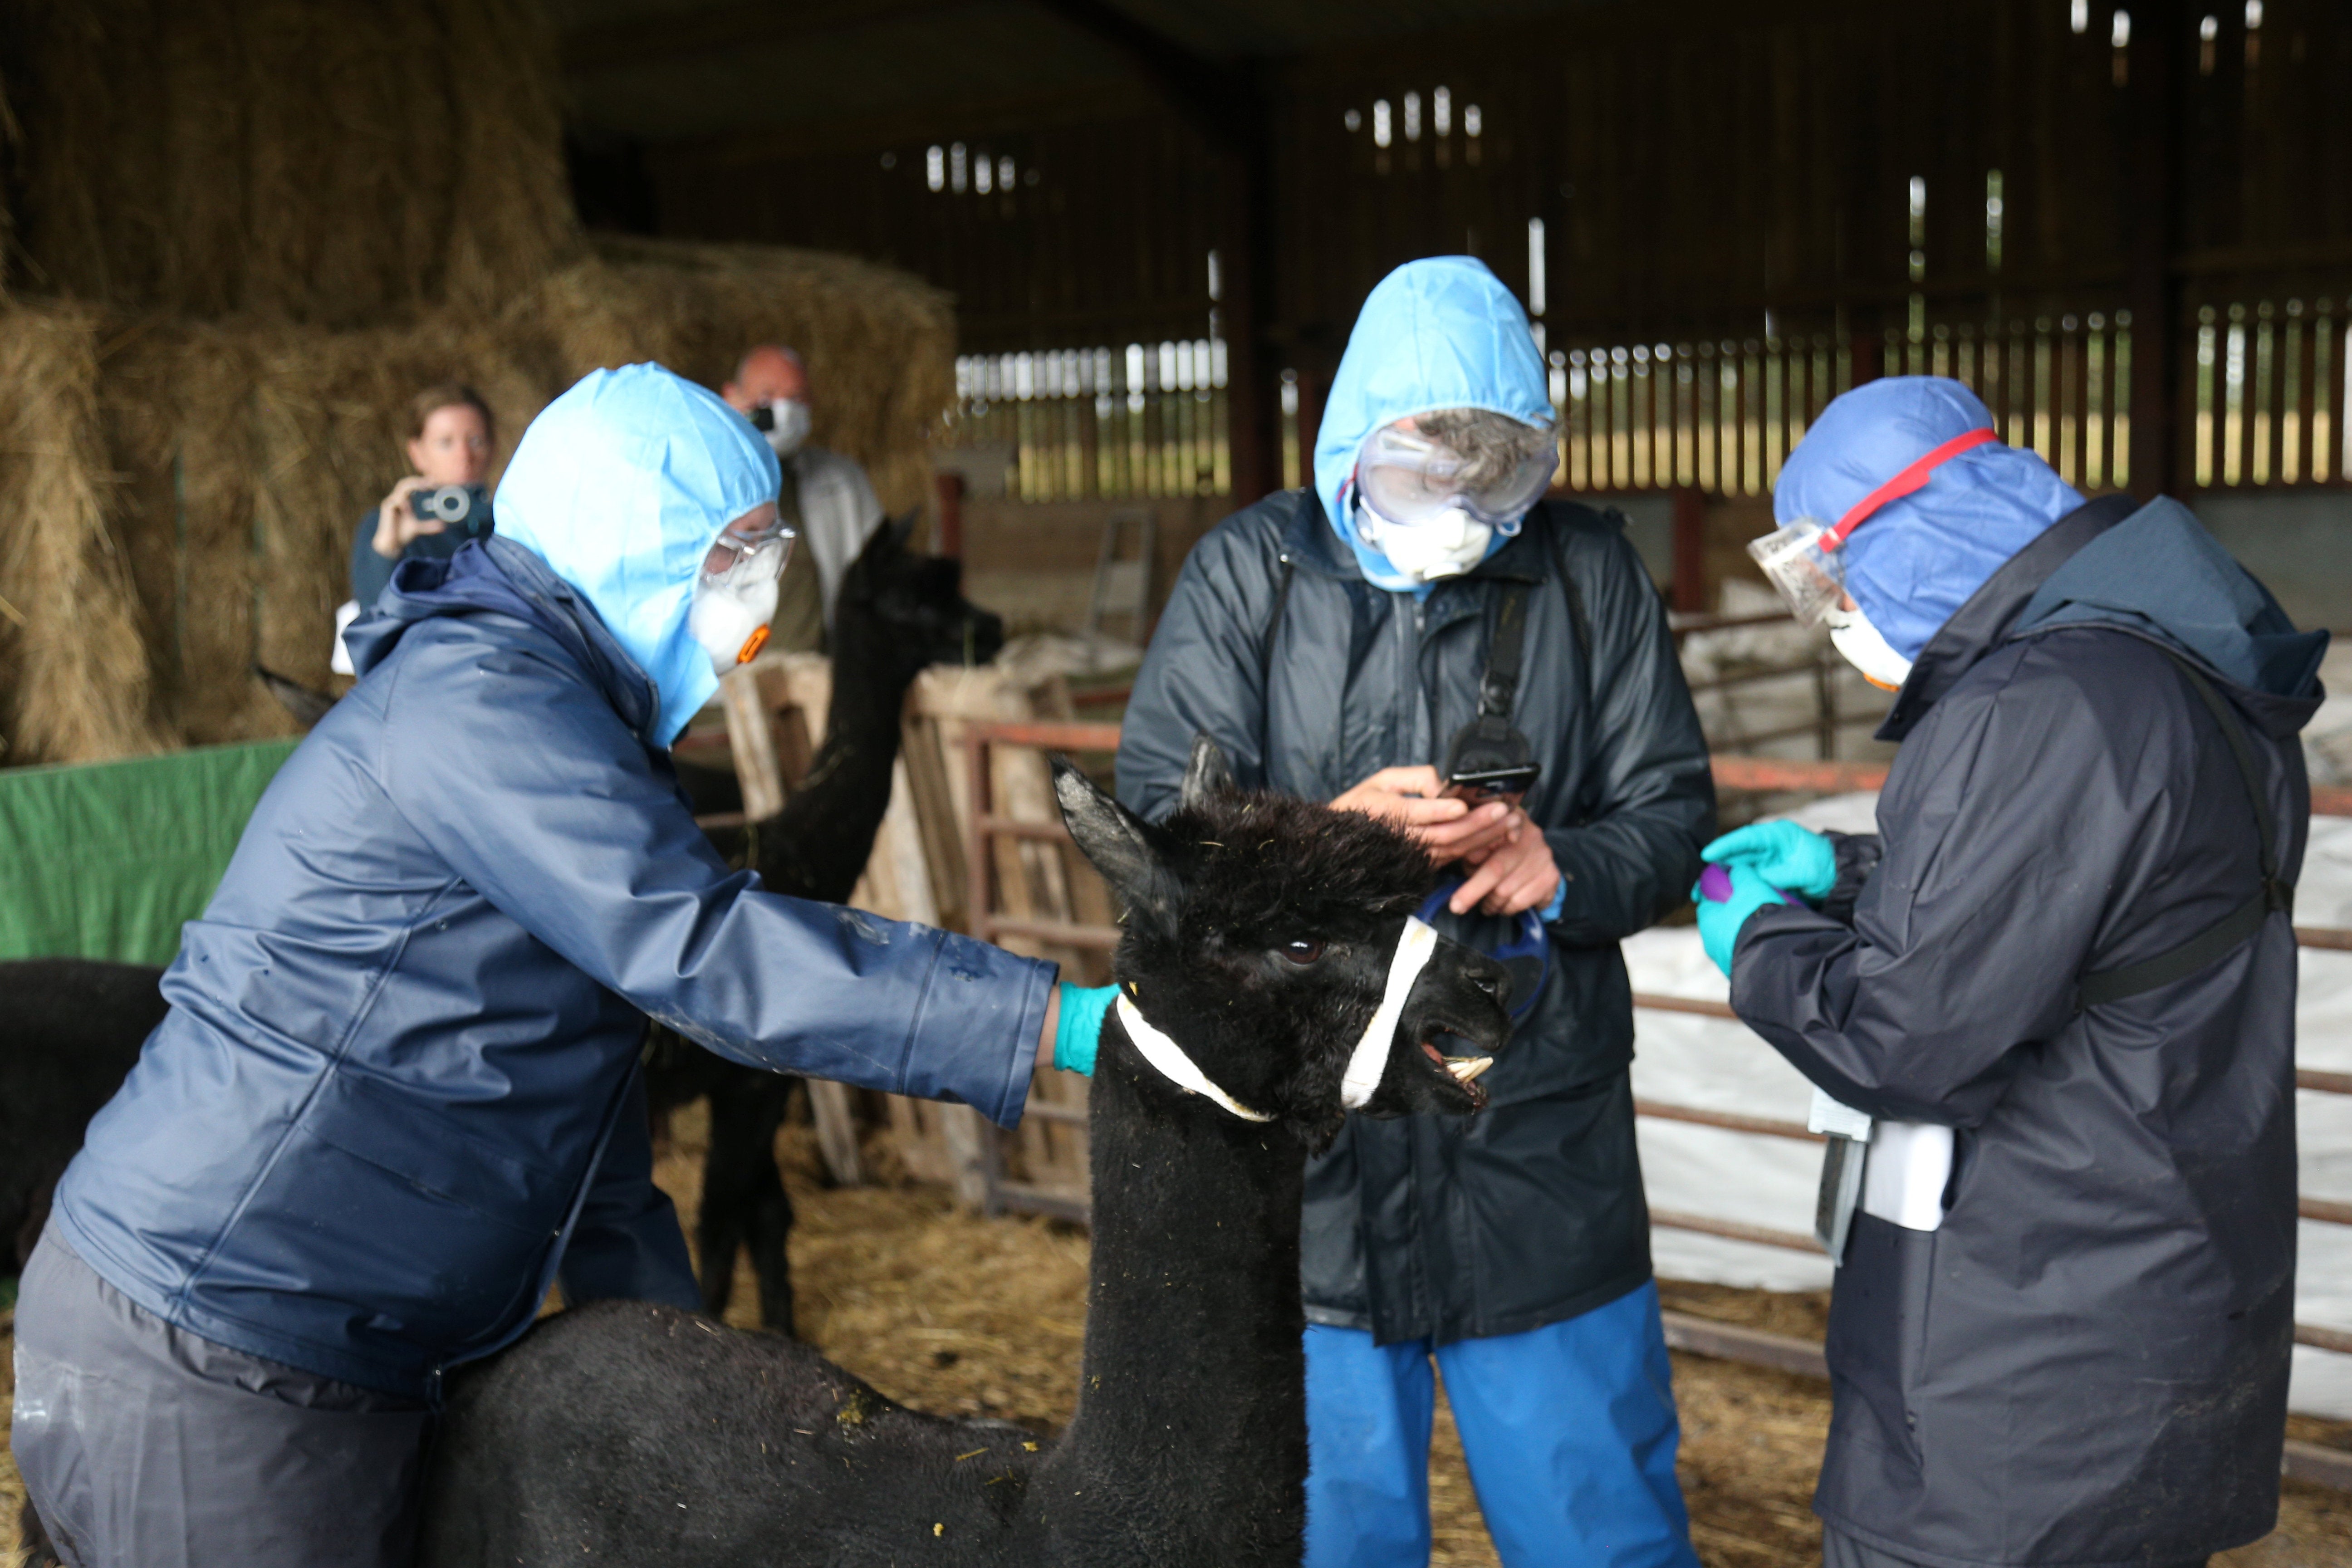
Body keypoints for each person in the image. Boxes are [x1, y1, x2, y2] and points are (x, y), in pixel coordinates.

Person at [10, 363, 1111, 1568]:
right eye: (735, 555)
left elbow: (583, 1124)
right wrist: (1045, 1022)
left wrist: (692, 1386)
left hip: (298, 1342)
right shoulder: (485, 706)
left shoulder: (568, 727)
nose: (756, 597)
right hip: (221, 1349)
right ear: (633, 547)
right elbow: (703, 950)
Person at [1117, 256, 1715, 1568]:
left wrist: (1568, 864)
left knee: (1596, 1522)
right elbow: (1162, 823)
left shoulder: (1586, 576)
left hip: (1534, 1132)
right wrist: (1326, 833)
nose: (1450, 511)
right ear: (1350, 448)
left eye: (1488, 479)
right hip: (1313, 1144)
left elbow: (1674, 811)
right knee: (1327, 1531)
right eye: (1411, 475)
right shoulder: (1253, 573)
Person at [1696, 376, 2326, 1568]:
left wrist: (1762, 944)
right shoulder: (2174, 662)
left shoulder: (2036, 700)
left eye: (1830, 578)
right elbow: (2089, 899)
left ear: (1900, 534)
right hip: (2156, 1288)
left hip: (2025, 1361)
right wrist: (1839, 870)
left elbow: (1902, 1035)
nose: (1833, 617)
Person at [720, 343, 887, 654]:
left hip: (817, 676)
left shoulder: (842, 483)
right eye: (767, 397)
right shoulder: (706, 483)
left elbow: (880, 577)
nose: (783, 411)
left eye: (796, 398)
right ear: (732, 398)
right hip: (735, 680)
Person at [349, 382, 499, 613]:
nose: (464, 456)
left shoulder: (509, 523)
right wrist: (387, 550)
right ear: (417, 453)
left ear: (492, 448)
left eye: (475, 441)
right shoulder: (389, 525)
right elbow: (373, 619)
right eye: (445, 443)